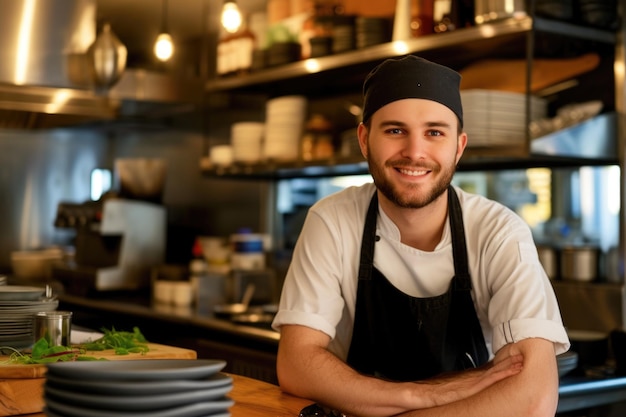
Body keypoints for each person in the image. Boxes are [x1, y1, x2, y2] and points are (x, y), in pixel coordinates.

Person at [271, 55, 570, 417]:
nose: (414, 152)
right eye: (395, 130)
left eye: (434, 132)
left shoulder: (497, 231)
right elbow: (295, 364)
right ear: (365, 140)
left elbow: (535, 400)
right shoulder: (332, 220)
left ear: (458, 147)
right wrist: (420, 395)